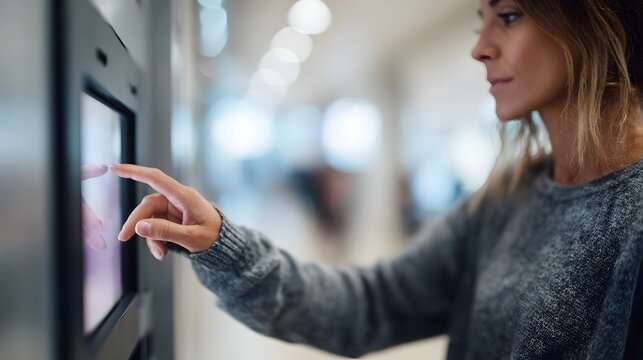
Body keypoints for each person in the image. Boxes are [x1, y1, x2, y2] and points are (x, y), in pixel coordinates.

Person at [111, 0, 643, 358]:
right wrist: (221, 245)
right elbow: (371, 304)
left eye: (507, 15)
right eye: (479, 20)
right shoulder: (507, 200)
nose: (480, 47)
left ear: (598, 19)